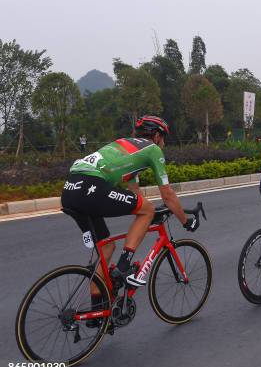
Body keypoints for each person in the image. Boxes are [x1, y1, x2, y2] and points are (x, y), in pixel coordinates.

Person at [61, 115, 198, 323]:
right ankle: (124, 268)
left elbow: (134, 193)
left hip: (70, 190)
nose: (164, 143)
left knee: (106, 250)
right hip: (91, 186)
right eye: (164, 139)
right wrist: (186, 221)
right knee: (147, 211)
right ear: (158, 135)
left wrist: (147, 212)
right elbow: (167, 195)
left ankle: (96, 314)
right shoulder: (153, 150)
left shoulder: (124, 145)